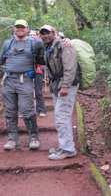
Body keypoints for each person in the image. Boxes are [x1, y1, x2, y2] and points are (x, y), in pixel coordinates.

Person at [0, 19, 45, 150]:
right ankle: (12, 139)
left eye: (22, 27)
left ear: (28, 29)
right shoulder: (8, 43)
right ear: (13, 29)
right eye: (17, 27)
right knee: (10, 111)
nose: (20, 29)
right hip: (9, 80)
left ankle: (34, 137)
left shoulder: (35, 43)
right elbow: (0, 60)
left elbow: (44, 56)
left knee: (27, 110)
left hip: (25, 80)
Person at [39, 25, 80, 160]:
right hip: (57, 85)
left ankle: (68, 149)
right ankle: (64, 146)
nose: (45, 35)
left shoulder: (64, 45)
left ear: (54, 33)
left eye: (48, 33)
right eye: (43, 33)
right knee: (60, 117)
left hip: (66, 85)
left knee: (62, 116)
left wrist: (65, 86)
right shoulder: (48, 47)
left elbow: (70, 68)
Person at [29, 30, 47, 117]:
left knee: (38, 91)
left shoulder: (41, 44)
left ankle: (41, 109)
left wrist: (40, 66)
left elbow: (43, 59)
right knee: (26, 92)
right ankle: (28, 110)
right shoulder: (25, 45)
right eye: (30, 35)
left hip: (38, 70)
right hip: (27, 71)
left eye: (33, 35)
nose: (32, 37)